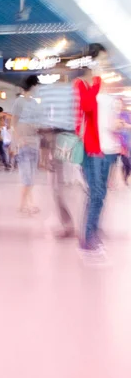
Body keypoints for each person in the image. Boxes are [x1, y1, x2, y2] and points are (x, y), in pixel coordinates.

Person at [75, 43, 117, 260]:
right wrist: (97, 81)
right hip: (92, 147)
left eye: (105, 61)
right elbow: (88, 108)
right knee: (96, 192)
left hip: (106, 146)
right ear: (90, 61)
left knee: (101, 193)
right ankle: (87, 238)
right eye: (100, 60)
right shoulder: (82, 84)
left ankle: (93, 231)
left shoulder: (102, 84)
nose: (104, 65)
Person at [38, 73, 77, 238]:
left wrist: (44, 154)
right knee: (61, 185)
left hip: (63, 140)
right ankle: (69, 224)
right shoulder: (71, 92)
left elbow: (44, 121)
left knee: (58, 187)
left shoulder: (57, 93)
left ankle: (68, 224)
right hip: (68, 139)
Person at [11, 75, 41, 214]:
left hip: (34, 142)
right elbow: (13, 124)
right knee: (26, 177)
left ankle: (26, 204)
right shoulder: (19, 102)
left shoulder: (35, 103)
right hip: (24, 143)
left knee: (31, 177)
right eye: (37, 86)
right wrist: (18, 140)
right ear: (32, 86)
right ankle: (25, 205)